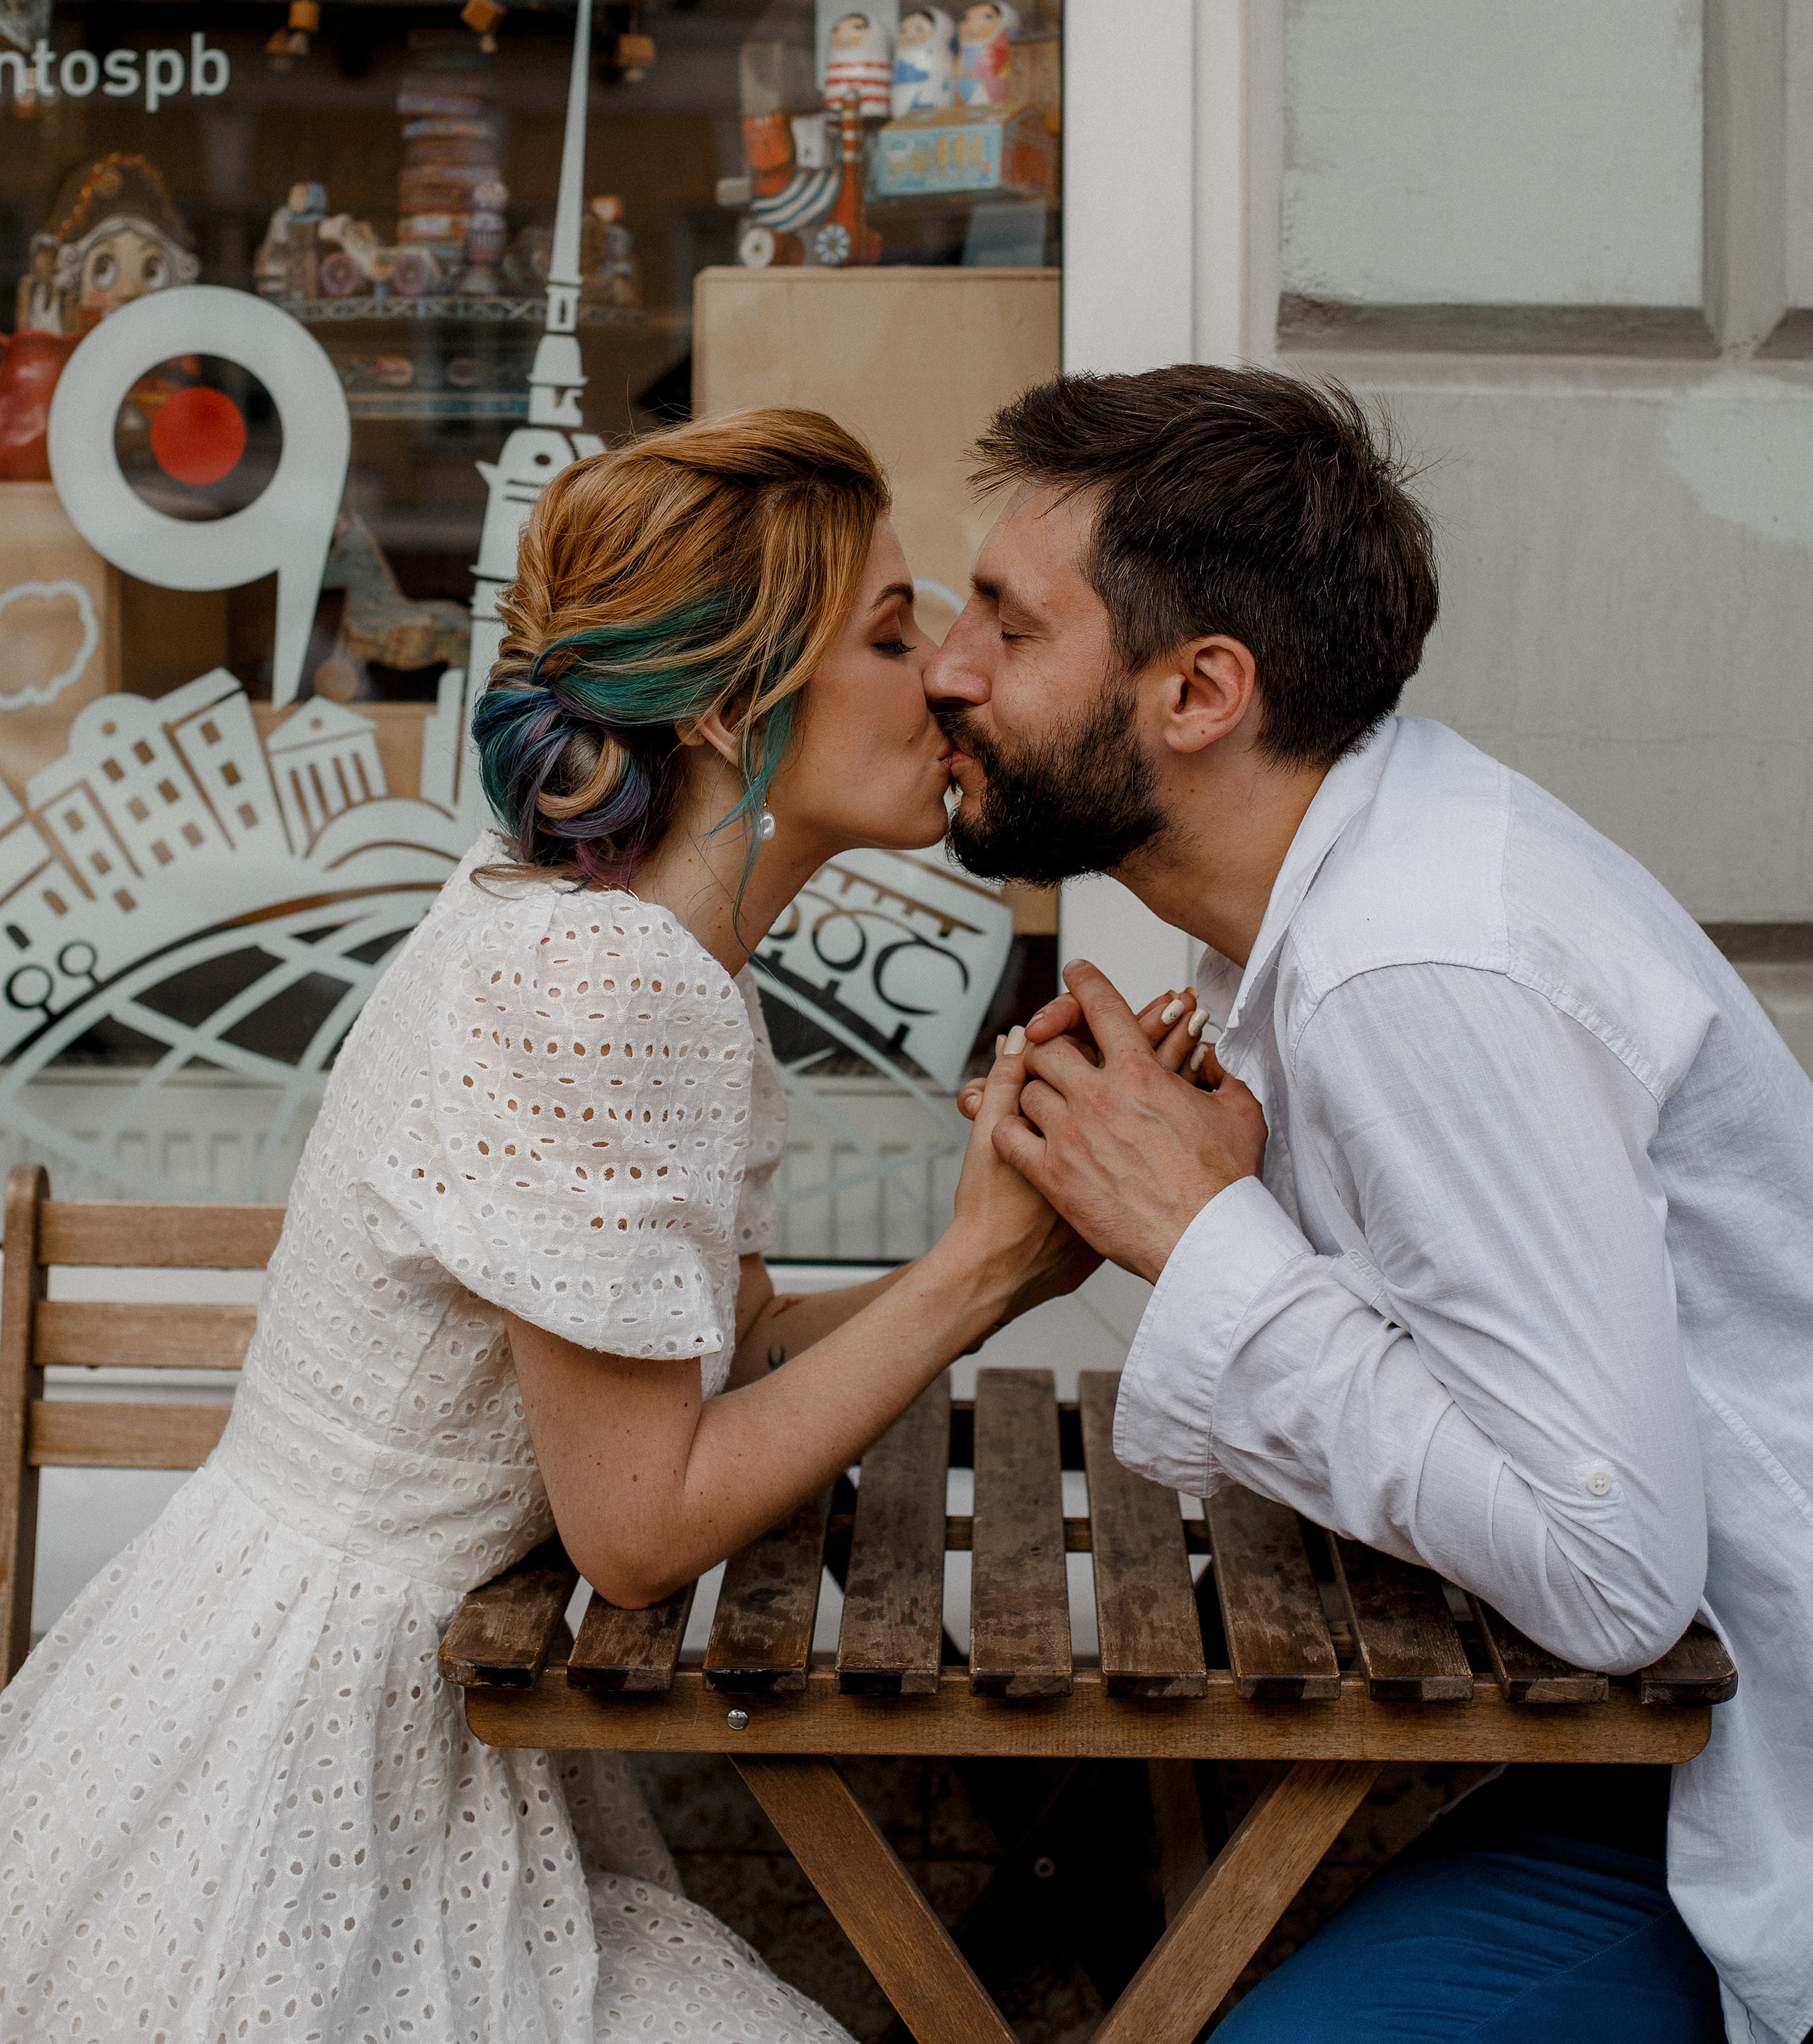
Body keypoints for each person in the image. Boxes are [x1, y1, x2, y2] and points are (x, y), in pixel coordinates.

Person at [0, 408, 1090, 2044]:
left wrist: (1003, 1253)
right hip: (301, 1773)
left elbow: (692, 1366)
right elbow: (639, 1525)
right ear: (734, 702)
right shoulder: (607, 980)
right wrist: (974, 1271)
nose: (944, 675)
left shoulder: (595, 936)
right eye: (891, 629)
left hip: (307, 1682)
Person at [926, 365, 1813, 2044]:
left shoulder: (1409, 966)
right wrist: (1231, 1193)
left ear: (1198, 692)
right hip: (1666, 1742)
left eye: (1007, 626)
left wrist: (1203, 1241)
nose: (948, 674)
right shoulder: (1332, 893)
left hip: (1748, 1786)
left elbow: (1606, 1567)